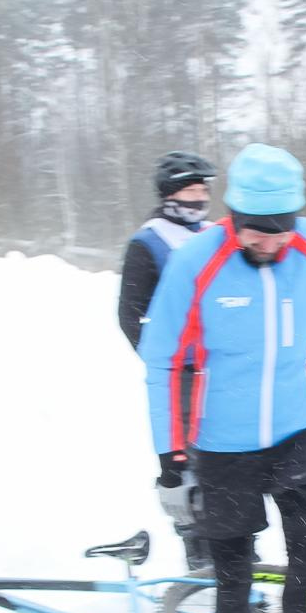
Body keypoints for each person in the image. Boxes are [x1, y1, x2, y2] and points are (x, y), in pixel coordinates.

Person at [138, 144, 306, 613]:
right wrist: (172, 460)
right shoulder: (197, 261)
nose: (267, 241)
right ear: (231, 215)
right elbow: (164, 359)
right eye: (253, 228)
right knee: (233, 583)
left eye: (278, 230)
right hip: (221, 444)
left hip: (298, 430)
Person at [121, 152, 217, 567]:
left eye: (203, 190)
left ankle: (234, 547)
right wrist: (165, 359)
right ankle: (198, 554)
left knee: (228, 459)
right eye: (190, 190)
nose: (199, 198)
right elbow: (130, 313)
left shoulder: (215, 234)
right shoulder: (149, 242)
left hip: (225, 370)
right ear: (169, 195)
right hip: (183, 374)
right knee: (185, 463)